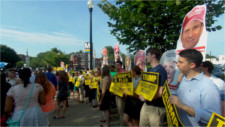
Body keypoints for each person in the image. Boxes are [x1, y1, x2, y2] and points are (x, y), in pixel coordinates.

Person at [169, 49, 221, 126]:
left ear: (192, 65)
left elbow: (213, 118)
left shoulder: (208, 87)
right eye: (178, 62)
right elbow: (182, 99)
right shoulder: (185, 78)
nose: (177, 65)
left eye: (181, 62)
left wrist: (184, 107)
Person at [139, 48, 167, 126]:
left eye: (147, 55)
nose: (146, 57)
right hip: (146, 105)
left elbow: (161, 91)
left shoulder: (161, 70)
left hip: (156, 108)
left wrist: (146, 99)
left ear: (153, 56)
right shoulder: (150, 70)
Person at [115, 60, 126, 126]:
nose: (116, 66)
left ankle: (122, 125)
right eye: (116, 65)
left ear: (121, 65)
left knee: (121, 111)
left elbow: (125, 85)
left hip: (121, 95)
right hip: (117, 93)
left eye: (117, 65)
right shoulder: (118, 72)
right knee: (120, 111)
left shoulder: (123, 73)